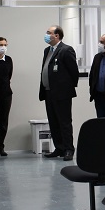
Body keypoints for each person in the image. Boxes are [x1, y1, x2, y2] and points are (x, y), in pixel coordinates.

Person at [39, 25, 79, 161]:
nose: (46, 35)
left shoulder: (66, 50)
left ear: (56, 35)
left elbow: (74, 72)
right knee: (53, 122)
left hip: (62, 94)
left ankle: (68, 149)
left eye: (49, 32)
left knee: (64, 122)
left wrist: (66, 88)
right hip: (48, 92)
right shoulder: (47, 50)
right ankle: (59, 148)